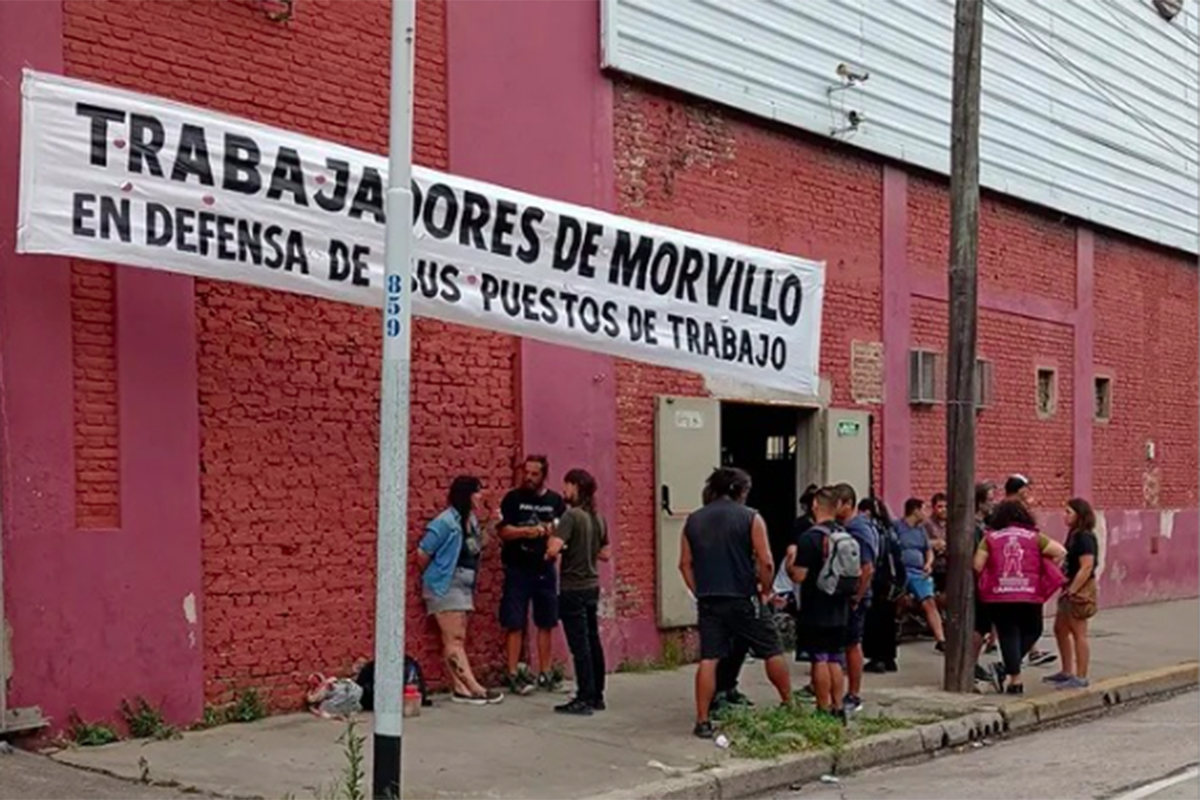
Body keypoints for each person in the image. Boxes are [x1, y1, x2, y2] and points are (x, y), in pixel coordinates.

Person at [679, 467, 792, 739]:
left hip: (710, 599)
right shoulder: (751, 517)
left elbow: (684, 564)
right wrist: (765, 591)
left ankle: (703, 720)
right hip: (743, 596)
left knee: (710, 658)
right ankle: (789, 703)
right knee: (771, 647)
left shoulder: (693, 520)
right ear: (739, 491)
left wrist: (700, 591)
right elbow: (766, 560)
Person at [417, 476, 504, 705]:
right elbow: (423, 552)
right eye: (477, 492)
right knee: (454, 637)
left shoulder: (471, 520)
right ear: (466, 494)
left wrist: (493, 523)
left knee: (455, 638)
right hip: (446, 584)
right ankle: (474, 688)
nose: (480, 496)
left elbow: (476, 546)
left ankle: (460, 687)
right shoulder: (445, 522)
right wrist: (436, 576)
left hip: (464, 583)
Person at [975, 500, 1067, 694]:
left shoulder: (990, 538)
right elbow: (1060, 551)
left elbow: (977, 565)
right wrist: (1044, 564)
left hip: (999, 594)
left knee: (1008, 633)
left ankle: (1013, 676)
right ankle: (1011, 675)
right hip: (1029, 593)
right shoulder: (1034, 537)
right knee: (1033, 630)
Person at [498, 455, 567, 696]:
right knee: (515, 622)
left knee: (546, 621)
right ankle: (513, 673)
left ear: (543, 475)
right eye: (526, 472)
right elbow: (503, 531)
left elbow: (562, 531)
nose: (528, 477)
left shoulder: (555, 501)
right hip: (517, 568)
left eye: (534, 473)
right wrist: (527, 532)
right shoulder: (513, 499)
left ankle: (545, 672)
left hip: (544, 569)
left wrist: (551, 535)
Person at [547, 468, 611, 715]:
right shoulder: (598, 518)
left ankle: (583, 696)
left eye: (566, 486)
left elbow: (553, 549)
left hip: (572, 587)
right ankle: (597, 695)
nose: (564, 491)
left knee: (579, 645)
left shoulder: (571, 516)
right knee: (593, 641)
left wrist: (558, 541)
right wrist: (586, 548)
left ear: (575, 486)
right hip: (592, 586)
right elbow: (605, 553)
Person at [786, 487, 852, 720]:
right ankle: (839, 706)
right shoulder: (844, 534)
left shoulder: (810, 537)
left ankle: (823, 708)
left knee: (819, 658)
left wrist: (789, 562)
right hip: (840, 606)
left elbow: (799, 576)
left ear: (815, 505)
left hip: (816, 607)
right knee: (835, 657)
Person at [832, 484, 876, 713]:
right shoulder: (846, 527)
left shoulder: (858, 529)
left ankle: (854, 693)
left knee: (851, 643)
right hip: (848, 593)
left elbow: (867, 567)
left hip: (856, 595)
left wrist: (858, 595)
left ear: (848, 504)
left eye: (836, 502)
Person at [1046, 498, 1100, 690]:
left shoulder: (1085, 537)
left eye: (1069, 512)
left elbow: (1086, 566)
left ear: (1079, 514)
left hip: (1079, 588)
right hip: (1068, 585)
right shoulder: (1073, 534)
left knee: (1079, 632)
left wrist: (1073, 590)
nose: (1065, 515)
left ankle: (1081, 675)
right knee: (1060, 629)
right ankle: (1067, 670)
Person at [895, 498, 946, 652]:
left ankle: (941, 639)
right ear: (915, 511)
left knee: (929, 602)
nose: (925, 513)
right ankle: (895, 629)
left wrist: (928, 564)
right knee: (898, 599)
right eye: (923, 509)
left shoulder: (921, 530)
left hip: (918, 571)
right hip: (901, 571)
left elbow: (928, 550)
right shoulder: (897, 527)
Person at [862, 498, 900, 674]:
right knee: (888, 618)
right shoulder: (890, 530)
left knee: (874, 619)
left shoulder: (871, 531)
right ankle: (889, 657)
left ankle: (877, 658)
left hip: (877, 578)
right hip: (891, 578)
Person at [924, 492, 949, 599]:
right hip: (933, 566)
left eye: (946, 506)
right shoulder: (927, 524)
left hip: (948, 566)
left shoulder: (952, 524)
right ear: (933, 507)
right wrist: (935, 543)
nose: (943, 509)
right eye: (940, 506)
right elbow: (922, 541)